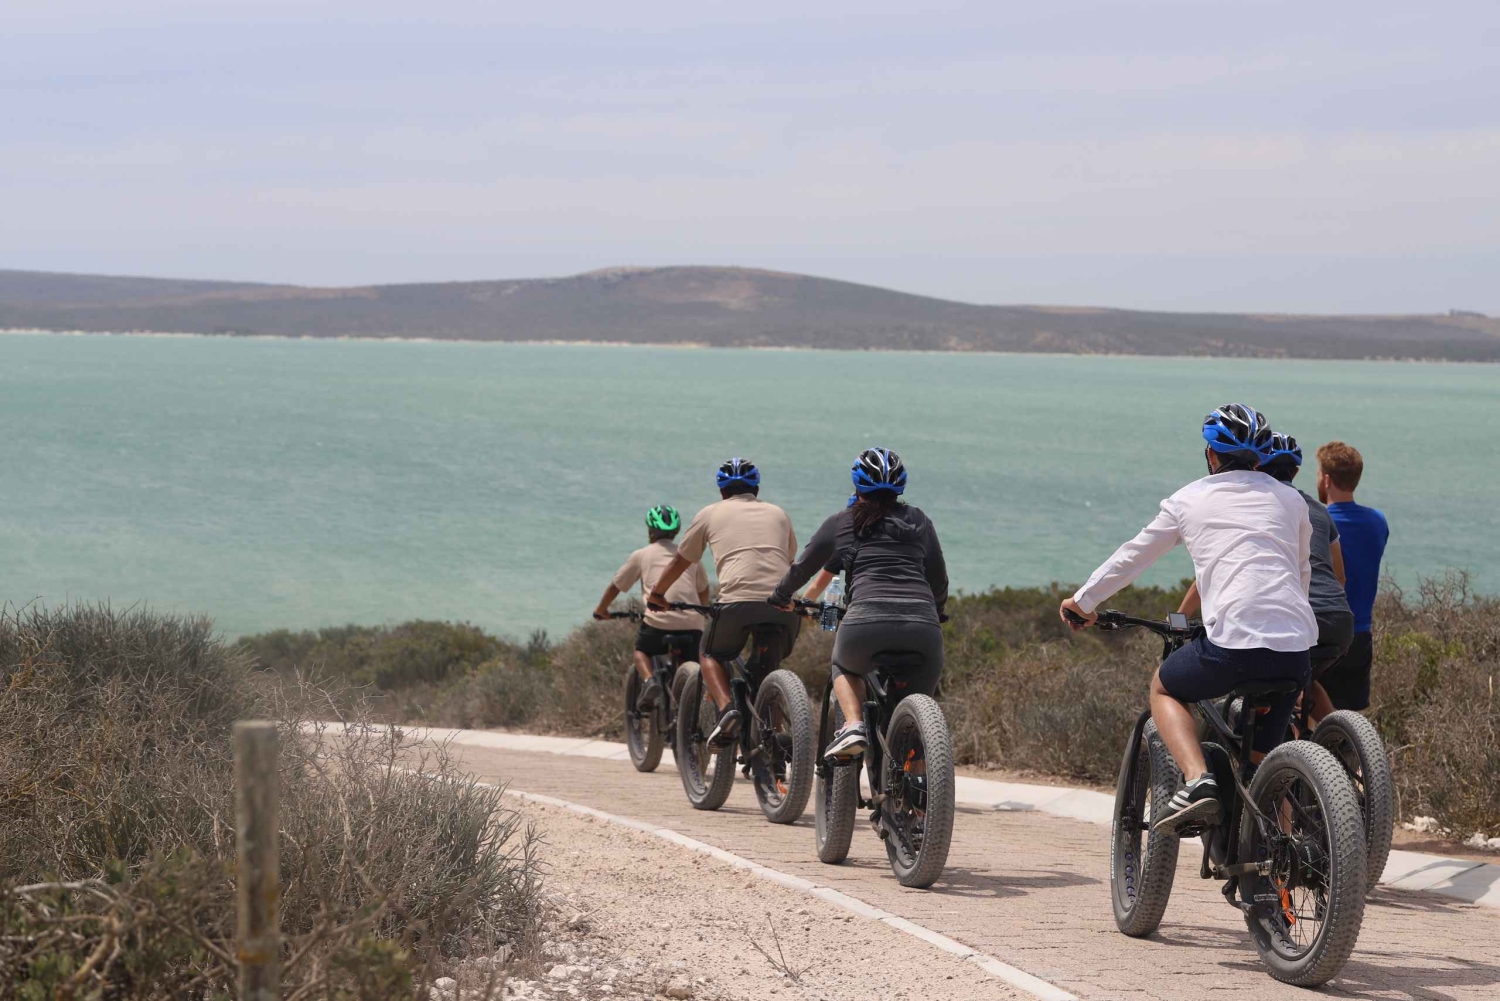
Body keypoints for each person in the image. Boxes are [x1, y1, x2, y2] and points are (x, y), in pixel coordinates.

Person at [1059, 404, 1317, 833]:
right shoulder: (1291, 500)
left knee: (1164, 686)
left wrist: (1084, 602)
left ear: (1211, 455)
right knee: (1264, 766)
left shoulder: (1190, 499)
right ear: (1260, 458)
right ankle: (1279, 867)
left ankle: (1199, 781)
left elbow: (1131, 558)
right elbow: (1300, 572)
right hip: (1295, 652)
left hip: (1233, 645)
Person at [770, 447, 948, 759]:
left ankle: (853, 725)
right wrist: (937, 610)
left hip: (866, 621)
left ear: (857, 486)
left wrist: (781, 597)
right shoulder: (920, 520)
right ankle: (921, 789)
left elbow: (802, 568)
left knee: (843, 665)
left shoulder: (842, 523)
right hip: (923, 627)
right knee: (916, 729)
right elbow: (938, 578)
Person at [1176, 432, 1354, 726]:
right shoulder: (1320, 511)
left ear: (1257, 465)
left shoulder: (1258, 507)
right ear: (1296, 471)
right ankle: (1335, 751)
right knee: (1299, 687)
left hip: (1292, 621)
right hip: (1339, 622)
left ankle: (1287, 764)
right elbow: (1340, 576)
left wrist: (1179, 618)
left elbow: (1207, 579)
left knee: (1263, 685)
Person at [647, 458, 801, 747]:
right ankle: (775, 730)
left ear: (721, 492)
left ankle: (727, 709)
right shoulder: (779, 513)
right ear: (756, 488)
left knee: (709, 654)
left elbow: (683, 560)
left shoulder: (710, 513)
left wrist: (657, 594)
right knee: (768, 664)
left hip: (736, 604)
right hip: (783, 606)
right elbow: (790, 561)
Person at [593, 504, 710, 709]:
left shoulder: (642, 555)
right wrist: (702, 611)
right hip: (693, 623)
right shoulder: (690, 557)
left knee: (641, 651)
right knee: (692, 663)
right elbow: (703, 591)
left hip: (659, 621)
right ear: (675, 531)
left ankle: (650, 682)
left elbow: (616, 586)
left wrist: (601, 610)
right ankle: (687, 703)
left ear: (650, 530)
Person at [1316, 441, 1390, 712]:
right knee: (1349, 724)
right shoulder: (1377, 522)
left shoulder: (1319, 521)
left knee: (1300, 706)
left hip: (1323, 635)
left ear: (1326, 479)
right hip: (1360, 635)